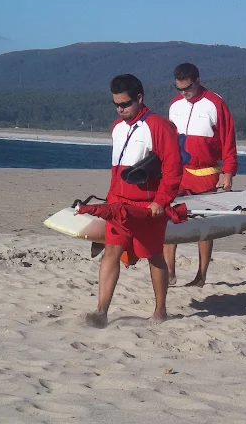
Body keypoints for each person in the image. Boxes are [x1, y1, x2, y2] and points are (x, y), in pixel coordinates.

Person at [84, 74, 183, 328]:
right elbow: (116, 171)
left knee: (153, 256)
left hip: (147, 208)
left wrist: (161, 201)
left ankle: (160, 311)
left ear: (139, 98)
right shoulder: (118, 127)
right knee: (111, 252)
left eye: (125, 104)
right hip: (118, 205)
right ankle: (101, 311)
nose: (121, 109)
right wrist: (109, 201)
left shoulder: (159, 126)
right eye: (116, 104)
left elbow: (173, 170)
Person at [164, 63, 238, 287]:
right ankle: (169, 274)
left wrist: (228, 172)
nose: (183, 93)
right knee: (169, 220)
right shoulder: (175, 104)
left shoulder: (215, 103)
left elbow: (228, 139)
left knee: (204, 227)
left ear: (197, 81)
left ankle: (201, 275)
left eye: (186, 88)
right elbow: (168, 139)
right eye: (179, 89)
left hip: (207, 173)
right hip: (179, 172)